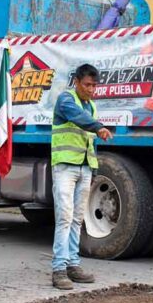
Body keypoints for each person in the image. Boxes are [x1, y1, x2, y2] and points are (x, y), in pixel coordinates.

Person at [50, 64, 113, 290]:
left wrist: (92, 170)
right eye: (87, 85)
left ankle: (72, 265)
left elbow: (89, 141)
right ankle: (59, 269)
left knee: (77, 219)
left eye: (94, 86)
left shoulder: (91, 106)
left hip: (85, 167)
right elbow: (77, 117)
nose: (91, 89)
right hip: (65, 167)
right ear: (76, 82)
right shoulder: (66, 100)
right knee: (65, 218)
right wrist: (99, 127)